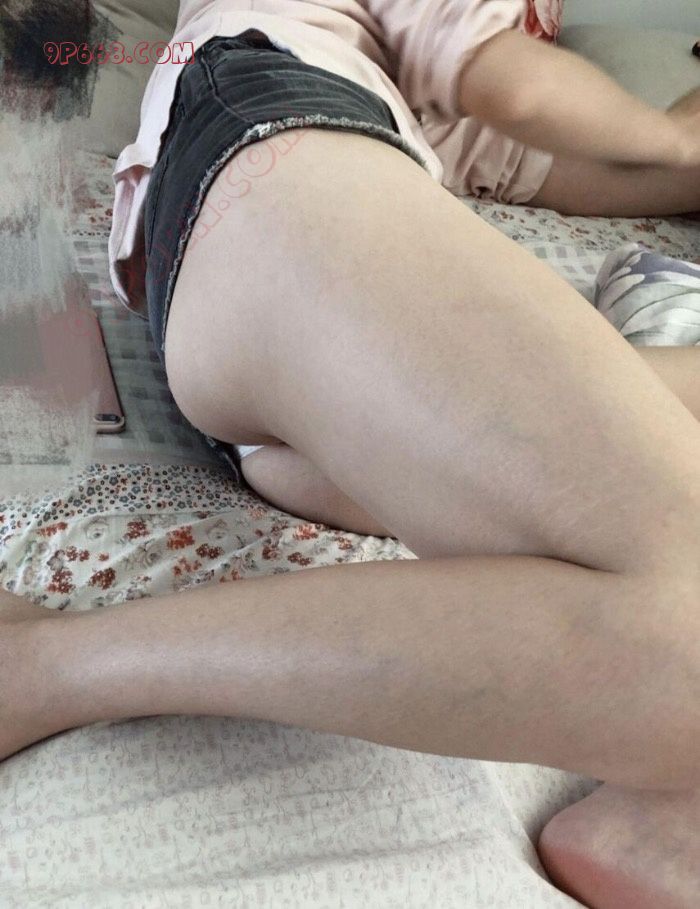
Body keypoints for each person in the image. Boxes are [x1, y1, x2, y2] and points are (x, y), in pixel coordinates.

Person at [2, 3, 700, 907]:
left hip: (271, 282)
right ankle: (49, 664)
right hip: (276, 149)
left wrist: (667, 160)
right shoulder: (372, 36)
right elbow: (520, 90)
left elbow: (542, 157)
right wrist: (674, 134)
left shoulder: (416, 87)